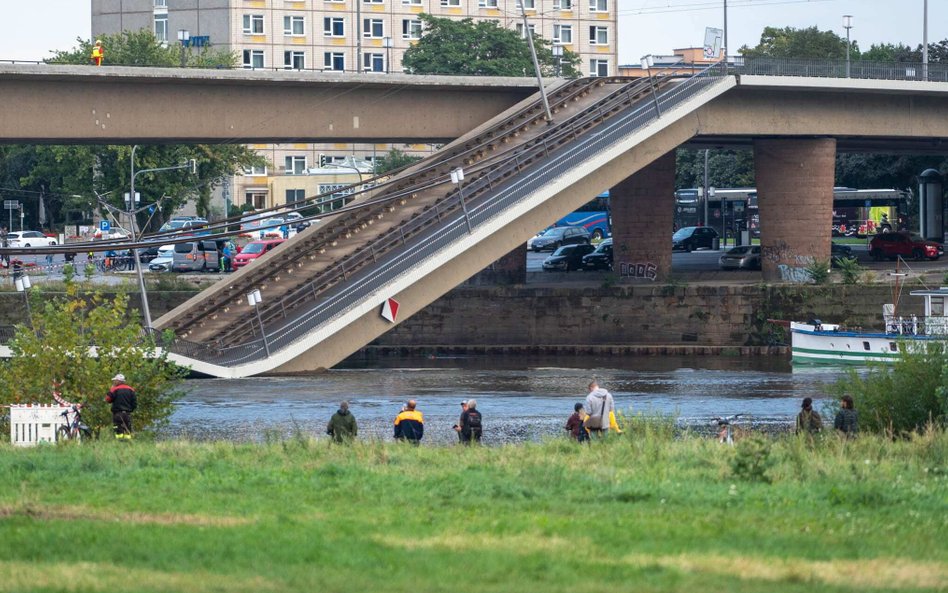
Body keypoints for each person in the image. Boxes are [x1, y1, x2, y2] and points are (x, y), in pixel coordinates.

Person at [105, 373, 137, 439]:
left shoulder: (114, 389)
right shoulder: (131, 390)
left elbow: (108, 399)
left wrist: (110, 391)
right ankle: (127, 444)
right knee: (127, 431)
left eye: (115, 380)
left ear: (119, 381)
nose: (114, 382)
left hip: (117, 414)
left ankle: (119, 443)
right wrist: (130, 410)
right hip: (127, 414)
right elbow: (134, 403)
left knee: (118, 431)